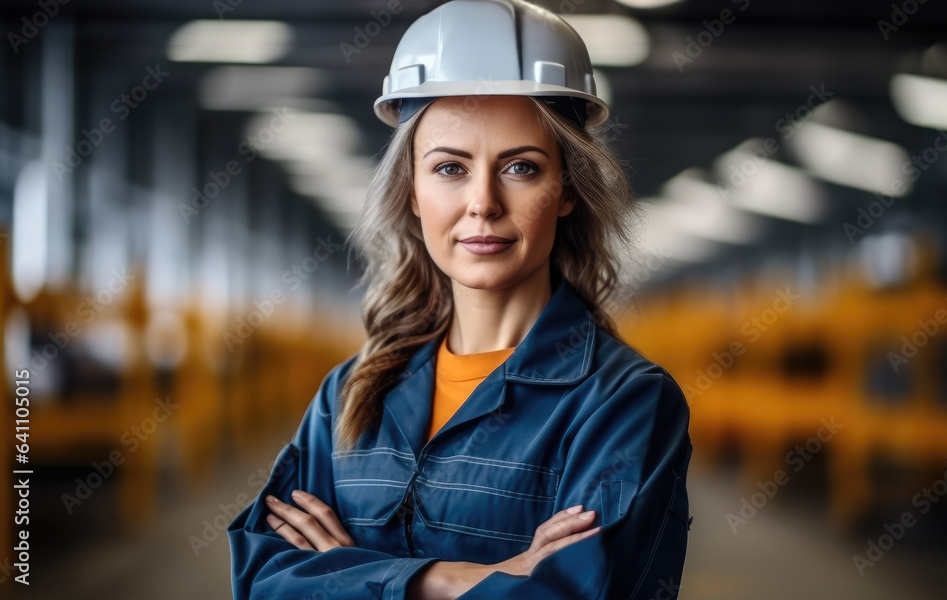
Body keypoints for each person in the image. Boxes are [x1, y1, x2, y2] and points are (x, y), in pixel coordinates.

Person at [227, 1, 692, 598]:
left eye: (521, 167)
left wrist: (350, 574)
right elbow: (261, 579)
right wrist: (446, 582)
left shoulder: (623, 404)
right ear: (413, 193)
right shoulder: (347, 397)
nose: (483, 203)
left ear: (568, 189)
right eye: (449, 168)